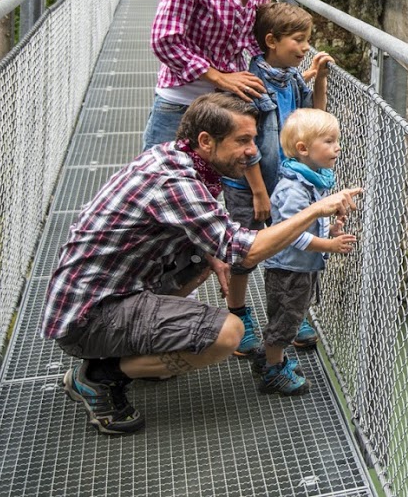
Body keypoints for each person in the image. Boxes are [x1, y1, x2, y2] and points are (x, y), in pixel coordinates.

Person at [43, 93, 361, 435]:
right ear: (206, 141)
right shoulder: (176, 183)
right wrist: (315, 210)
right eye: (242, 141)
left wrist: (213, 257)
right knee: (227, 334)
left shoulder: (176, 159)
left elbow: (209, 237)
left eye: (253, 139)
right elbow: (245, 251)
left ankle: (134, 353)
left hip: (103, 292)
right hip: (88, 318)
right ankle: (99, 377)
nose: (253, 150)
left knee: (209, 259)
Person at [144, 0, 294, 357]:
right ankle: (141, 314)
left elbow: (256, 43)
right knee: (159, 211)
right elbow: (163, 39)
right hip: (182, 106)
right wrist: (218, 75)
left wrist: (289, 70)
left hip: (233, 112)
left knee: (248, 211)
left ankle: (251, 315)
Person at [224, 2, 334, 348]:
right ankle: (238, 312)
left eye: (308, 41)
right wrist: (258, 192)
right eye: (299, 41)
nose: (305, 48)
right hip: (248, 185)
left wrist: (319, 79)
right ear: (271, 40)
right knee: (246, 252)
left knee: (283, 247)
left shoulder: (288, 79)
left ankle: (287, 315)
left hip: (282, 184)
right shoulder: (252, 87)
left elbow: (311, 121)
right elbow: (248, 145)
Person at [252, 109, 358, 394]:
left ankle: (268, 357)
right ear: (303, 148)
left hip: (301, 267)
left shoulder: (312, 180)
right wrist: (329, 246)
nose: (337, 147)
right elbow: (292, 235)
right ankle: (274, 370)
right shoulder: (294, 189)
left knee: (290, 315)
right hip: (289, 268)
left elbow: (311, 221)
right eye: (329, 141)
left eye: (337, 140)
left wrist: (331, 231)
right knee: (287, 318)